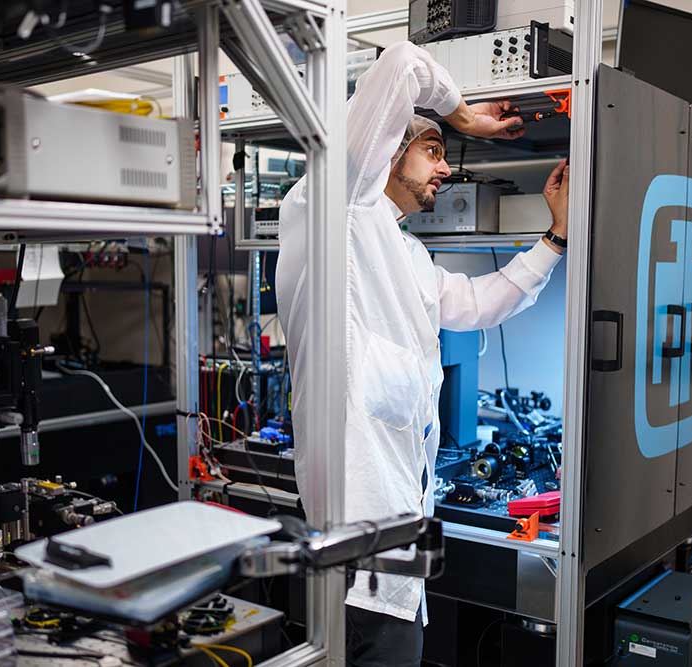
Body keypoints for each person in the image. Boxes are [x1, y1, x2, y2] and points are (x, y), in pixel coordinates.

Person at [275, 41, 569, 666]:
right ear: (384, 149)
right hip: (356, 545)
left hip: (398, 540)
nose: (446, 169)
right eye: (432, 151)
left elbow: (479, 303)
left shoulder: (405, 253)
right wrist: (464, 115)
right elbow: (403, 64)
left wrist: (555, 237)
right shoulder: (333, 213)